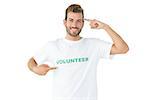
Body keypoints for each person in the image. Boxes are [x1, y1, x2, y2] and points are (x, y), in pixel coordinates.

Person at [27, 4, 129, 100]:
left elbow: (123, 49)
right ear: (65, 22)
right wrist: (35, 69)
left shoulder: (94, 45)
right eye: (71, 20)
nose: (74, 25)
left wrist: (105, 27)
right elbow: (32, 61)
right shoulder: (52, 46)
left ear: (83, 23)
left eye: (78, 21)